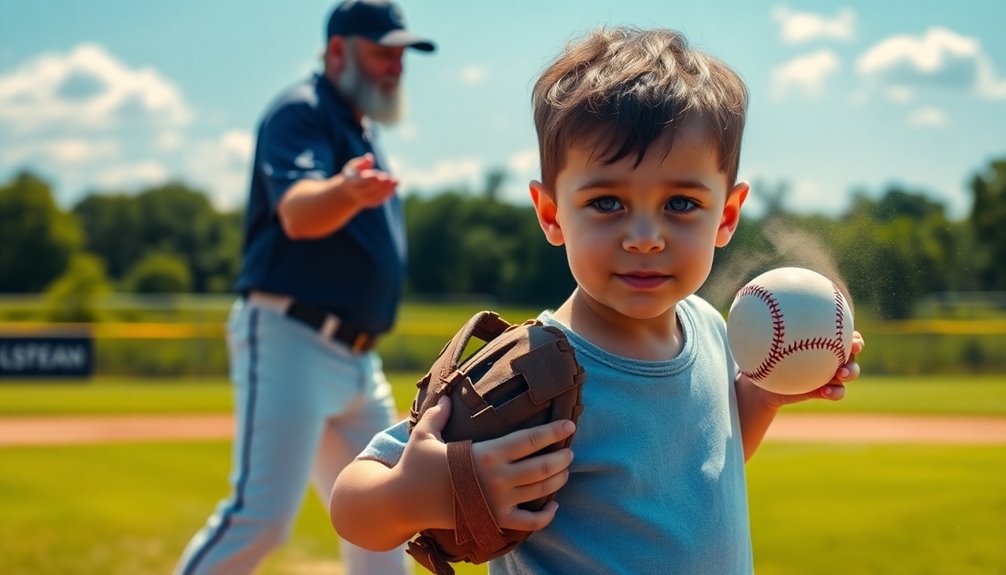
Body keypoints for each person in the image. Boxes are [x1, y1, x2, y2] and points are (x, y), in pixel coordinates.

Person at [330, 26, 866, 574]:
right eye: (607, 201)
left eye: (680, 203)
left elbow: (699, 478)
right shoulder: (534, 369)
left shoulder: (707, 326)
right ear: (550, 213)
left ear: (726, 216)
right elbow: (351, 504)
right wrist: (413, 492)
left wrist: (762, 396)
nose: (644, 236)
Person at [175, 1, 434, 574]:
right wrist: (344, 189)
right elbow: (297, 213)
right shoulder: (303, 110)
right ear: (337, 50)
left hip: (358, 357)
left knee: (384, 522)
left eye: (401, 55)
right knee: (259, 518)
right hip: (292, 336)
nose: (395, 65)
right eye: (381, 51)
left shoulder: (355, 123)